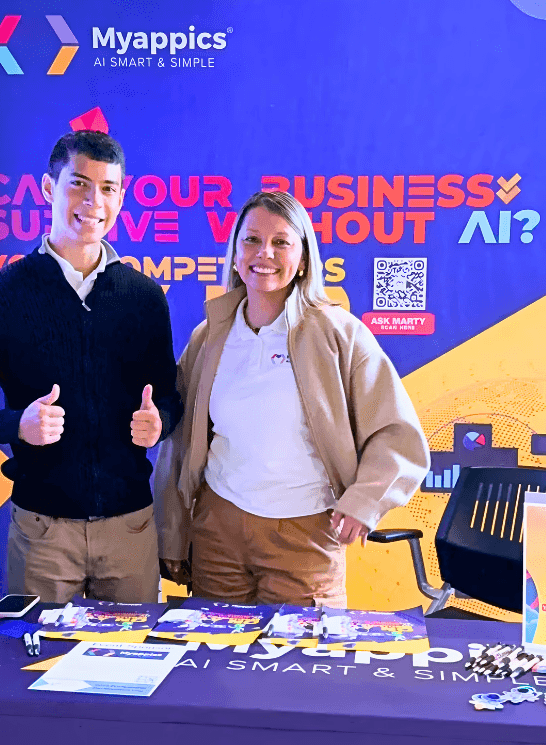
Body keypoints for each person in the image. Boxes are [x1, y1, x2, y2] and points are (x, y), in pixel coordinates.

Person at [0, 130, 182, 604]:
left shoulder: (146, 298)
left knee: (133, 670)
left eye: (108, 188)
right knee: (36, 669)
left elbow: (171, 397)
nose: (93, 201)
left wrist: (161, 422)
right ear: (49, 189)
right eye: (79, 183)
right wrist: (17, 425)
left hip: (130, 530)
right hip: (42, 533)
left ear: (121, 197)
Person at [155, 190, 429, 607]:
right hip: (218, 530)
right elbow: (181, 442)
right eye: (251, 240)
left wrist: (365, 500)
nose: (263, 252)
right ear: (233, 253)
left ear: (302, 260)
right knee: (216, 664)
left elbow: (396, 433)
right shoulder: (209, 336)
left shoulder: (339, 334)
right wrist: (172, 532)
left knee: (298, 666)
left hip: (305, 534)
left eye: (281, 242)